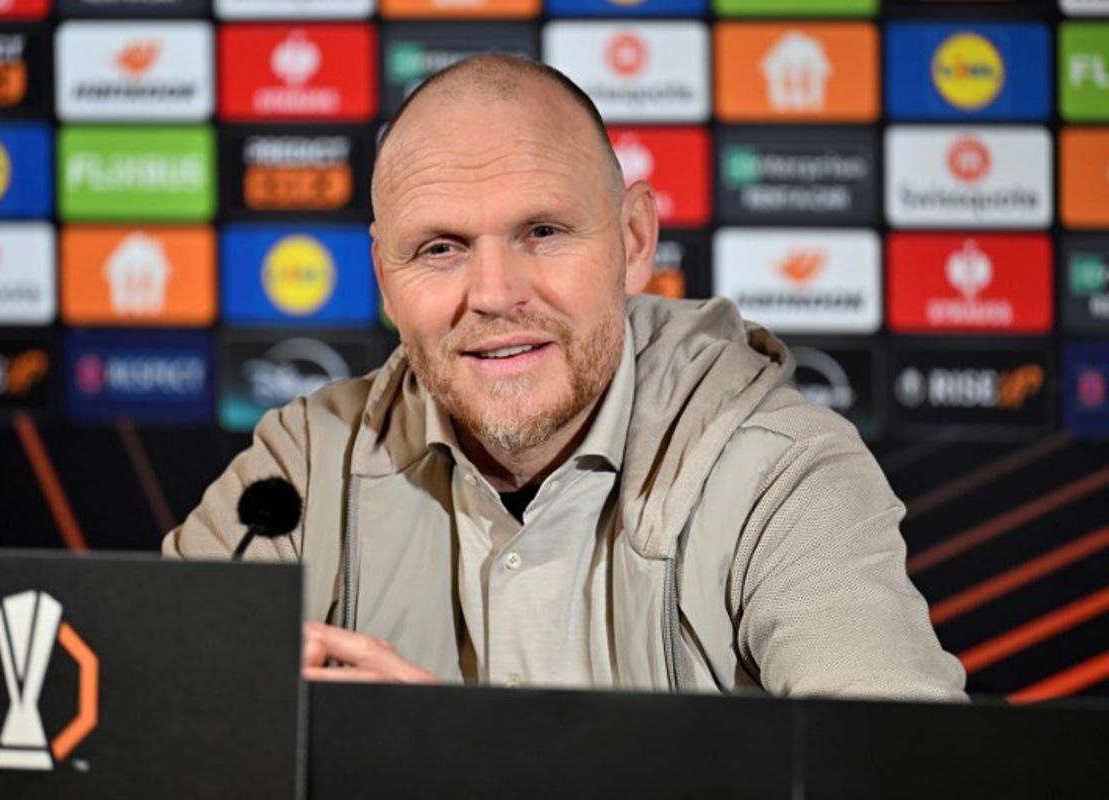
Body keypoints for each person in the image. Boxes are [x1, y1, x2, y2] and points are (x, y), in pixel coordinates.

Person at [164, 54, 966, 700]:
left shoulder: (779, 473)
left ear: (636, 240)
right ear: (384, 276)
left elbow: (897, 776)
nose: (494, 294)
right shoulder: (306, 463)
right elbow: (140, 708)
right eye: (440, 248)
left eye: (543, 232)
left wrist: (454, 765)